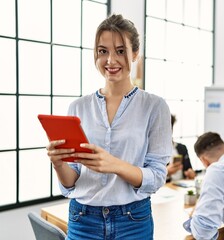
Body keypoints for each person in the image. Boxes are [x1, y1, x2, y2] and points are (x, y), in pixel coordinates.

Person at [45, 14, 172, 239]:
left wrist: (114, 165)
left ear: (135, 54)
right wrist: (58, 164)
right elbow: (71, 179)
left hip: (133, 221)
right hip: (83, 219)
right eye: (103, 51)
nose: (111, 60)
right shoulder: (79, 107)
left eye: (120, 51)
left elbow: (156, 176)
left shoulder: (154, 106)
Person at [166, 114, 196, 182]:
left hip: (181, 187)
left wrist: (190, 174)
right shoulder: (153, 151)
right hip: (164, 188)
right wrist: (166, 172)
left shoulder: (182, 148)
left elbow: (189, 169)